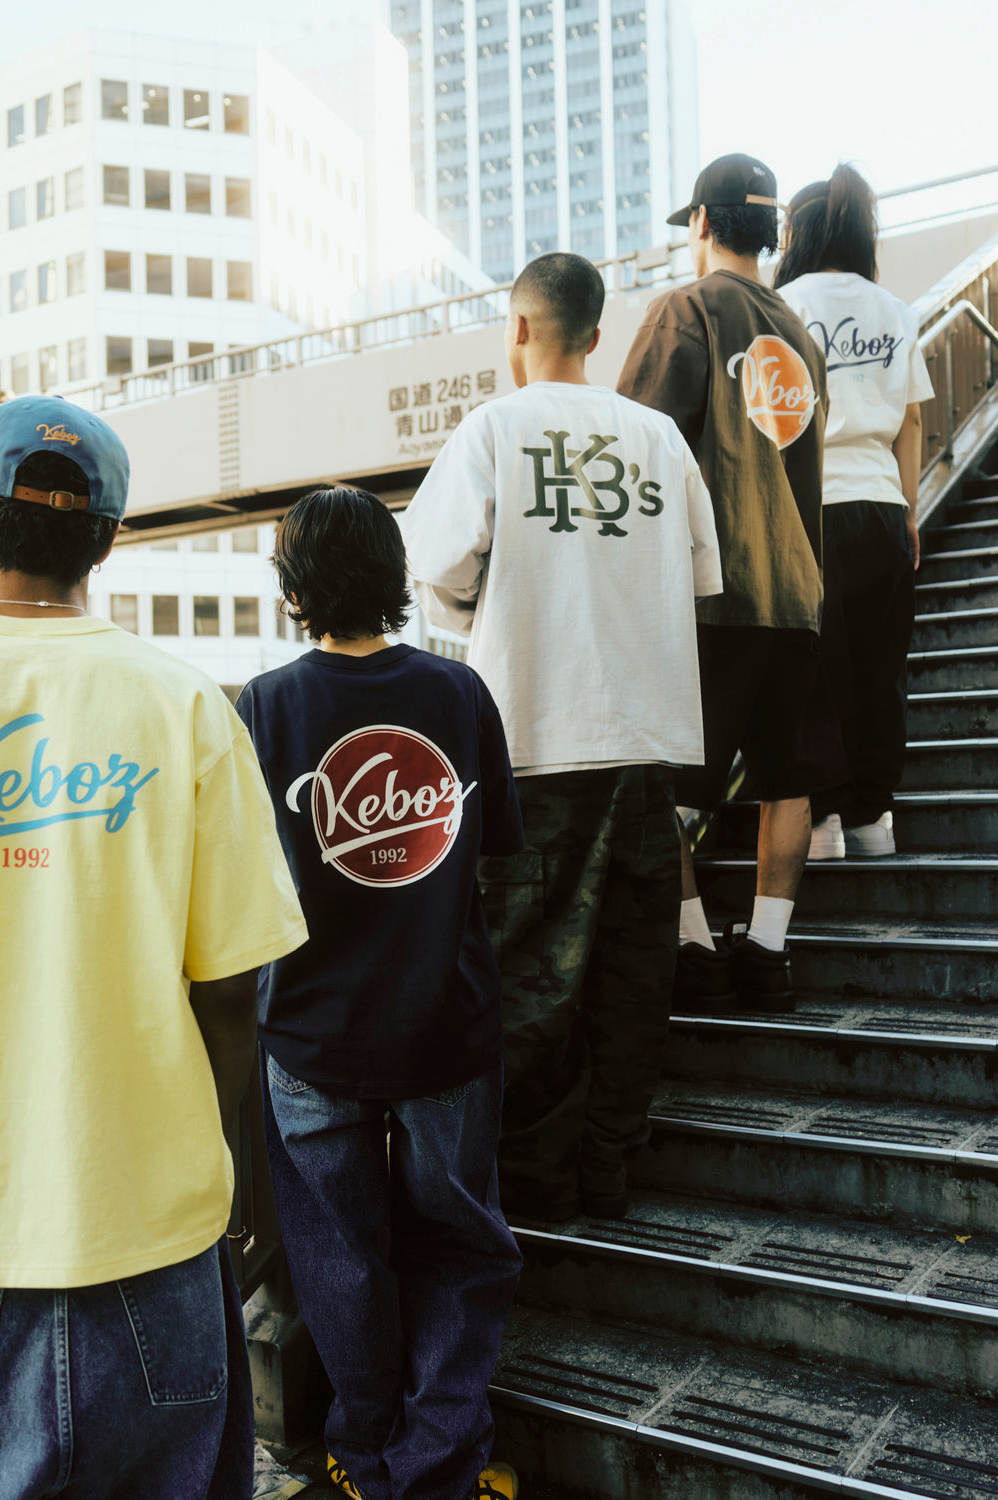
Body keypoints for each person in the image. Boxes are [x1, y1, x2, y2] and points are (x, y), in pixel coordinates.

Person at [0, 394, 308, 1499]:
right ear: (108, 539)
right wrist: (229, 1193)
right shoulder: (185, 709)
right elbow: (233, 1001)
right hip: (152, 1241)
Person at [401, 253, 721, 1225]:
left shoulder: (494, 428)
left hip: (532, 741)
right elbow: (701, 579)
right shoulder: (659, 437)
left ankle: (537, 1189)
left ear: (518, 328)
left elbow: (438, 570)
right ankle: (611, 1165)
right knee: (634, 968)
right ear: (595, 335)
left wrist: (495, 601)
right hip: (645, 741)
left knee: (529, 969)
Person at [237, 486, 525, 1500]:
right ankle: (438, 1468)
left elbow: (237, 887)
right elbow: (494, 858)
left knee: (338, 1256)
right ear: (394, 576)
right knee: (460, 1244)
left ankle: (362, 1457)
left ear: (294, 587)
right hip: (447, 1020)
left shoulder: (261, 707)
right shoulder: (458, 694)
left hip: (309, 1032)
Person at [616, 153, 829, 1014]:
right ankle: (768, 953)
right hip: (800, 592)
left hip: (713, 593)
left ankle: (694, 946)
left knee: (661, 781)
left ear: (702, 222)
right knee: (787, 775)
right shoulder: (801, 336)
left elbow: (634, 444)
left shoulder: (687, 309)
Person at [774, 163, 933, 858]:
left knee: (818, 672)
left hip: (814, 510)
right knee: (879, 670)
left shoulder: (783, 306)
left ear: (798, 237)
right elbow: (913, 422)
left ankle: (827, 820)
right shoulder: (894, 309)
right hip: (882, 507)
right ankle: (876, 820)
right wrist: (909, 514)